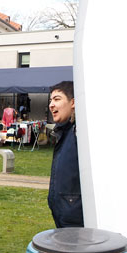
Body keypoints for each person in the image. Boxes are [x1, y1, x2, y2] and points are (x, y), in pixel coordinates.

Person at [47, 81, 83, 228]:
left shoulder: (80, 132)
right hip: (63, 217)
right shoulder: (64, 132)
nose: (51, 105)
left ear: (73, 102)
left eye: (57, 99)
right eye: (50, 100)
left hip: (76, 221)